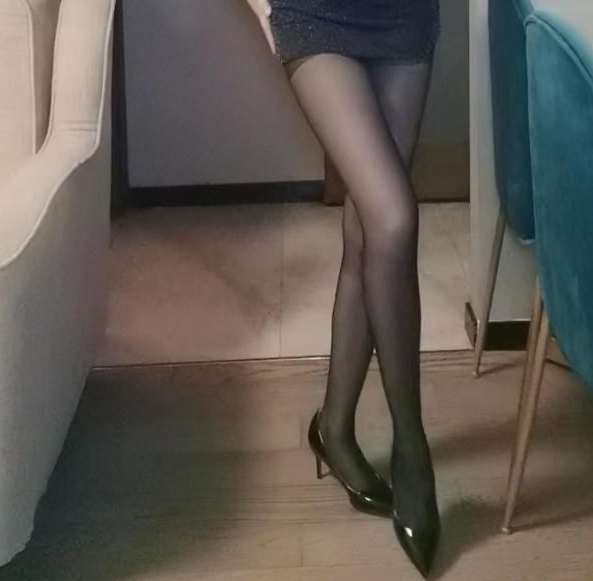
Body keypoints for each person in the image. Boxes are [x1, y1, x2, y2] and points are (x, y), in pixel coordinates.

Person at [244, 0, 442, 576]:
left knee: (369, 230)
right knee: (394, 220)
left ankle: (333, 426)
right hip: (314, 17)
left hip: (405, 18)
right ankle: (412, 449)